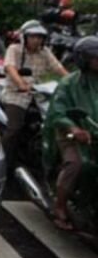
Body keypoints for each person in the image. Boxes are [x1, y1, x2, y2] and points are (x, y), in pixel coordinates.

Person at [44, 36, 98, 230]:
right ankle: (59, 207)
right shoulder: (69, 83)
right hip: (72, 134)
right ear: (84, 59)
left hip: (96, 134)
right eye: (95, 58)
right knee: (79, 164)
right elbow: (57, 112)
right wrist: (74, 129)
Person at [2, 20, 68, 168]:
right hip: (16, 94)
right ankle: (5, 164)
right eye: (33, 36)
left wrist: (73, 82)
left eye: (39, 37)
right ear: (24, 37)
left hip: (38, 94)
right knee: (14, 129)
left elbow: (58, 68)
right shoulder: (14, 49)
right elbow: (10, 67)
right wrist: (21, 84)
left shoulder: (44, 52)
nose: (36, 40)